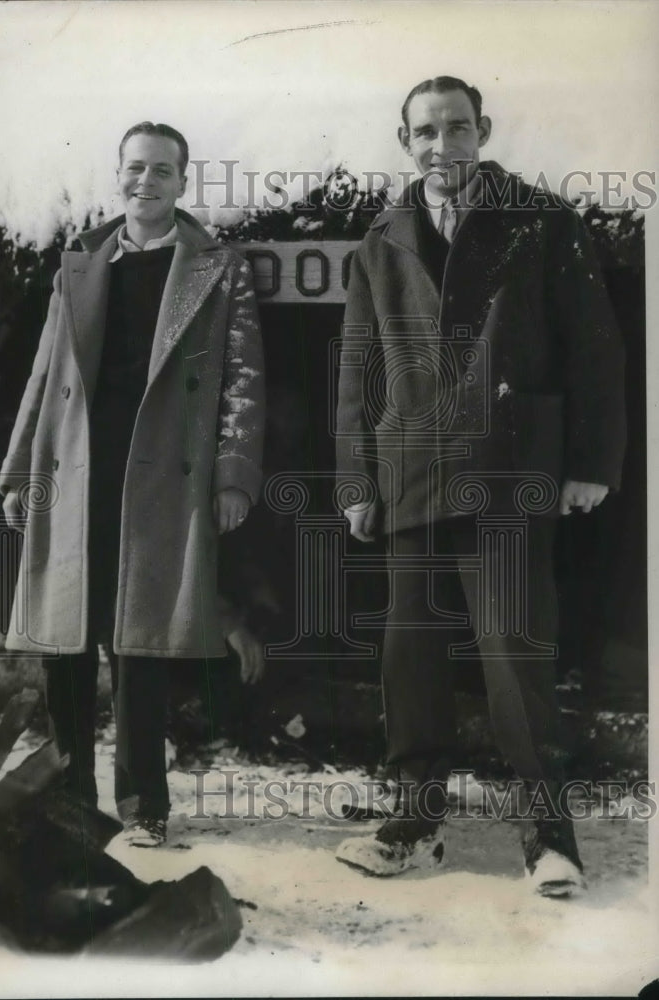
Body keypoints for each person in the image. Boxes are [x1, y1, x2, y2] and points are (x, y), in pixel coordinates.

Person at [334, 77, 626, 895]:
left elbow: (597, 350)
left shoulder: (541, 222)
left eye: (457, 128)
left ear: (482, 131)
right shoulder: (379, 241)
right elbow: (357, 368)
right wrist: (356, 478)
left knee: (514, 653)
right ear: (406, 143)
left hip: (506, 470)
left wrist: (593, 465)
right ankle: (413, 825)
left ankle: (549, 840)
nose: (442, 145)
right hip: (412, 473)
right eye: (425, 132)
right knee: (411, 655)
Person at [0, 122, 264, 847]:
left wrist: (235, 474)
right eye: (135, 169)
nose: (145, 182)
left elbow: (243, 379)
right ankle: (71, 797)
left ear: (183, 182)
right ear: (119, 175)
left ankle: (145, 805)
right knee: (66, 641)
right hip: (76, 466)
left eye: (162, 171)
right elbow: (44, 371)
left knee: (140, 641)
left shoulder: (216, 266)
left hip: (160, 475)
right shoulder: (82, 260)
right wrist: (20, 468)